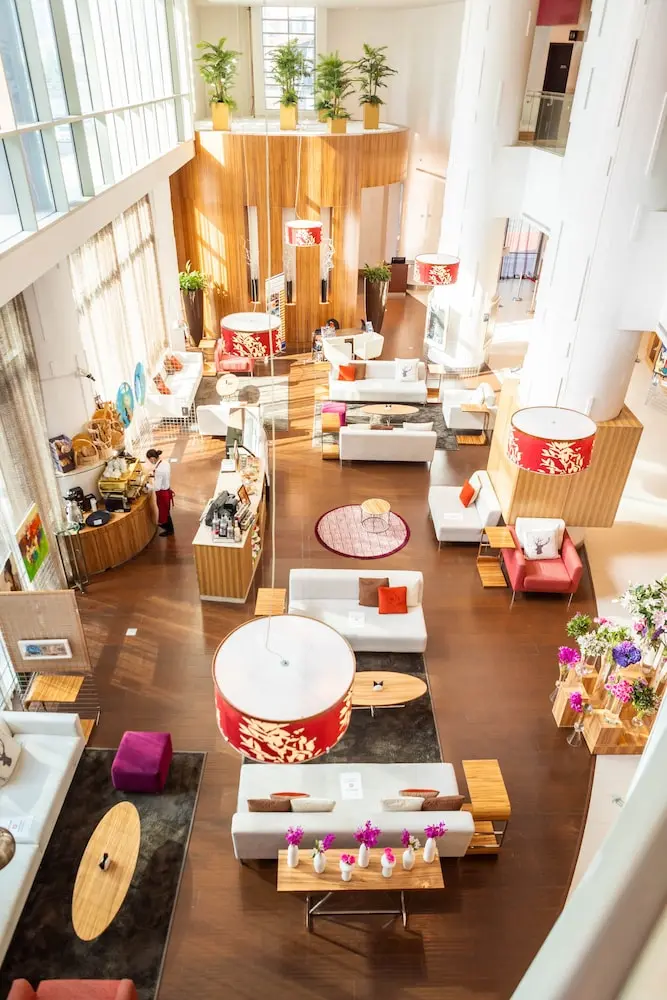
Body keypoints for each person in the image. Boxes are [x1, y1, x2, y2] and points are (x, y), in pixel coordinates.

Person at [146, 449, 174, 537]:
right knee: (166, 511)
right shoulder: (165, 463)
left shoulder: (159, 470)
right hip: (167, 490)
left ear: (152, 458)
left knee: (164, 512)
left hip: (162, 494)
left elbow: (157, 488)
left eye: (149, 460)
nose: (150, 462)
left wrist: (147, 485)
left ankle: (169, 530)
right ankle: (168, 527)